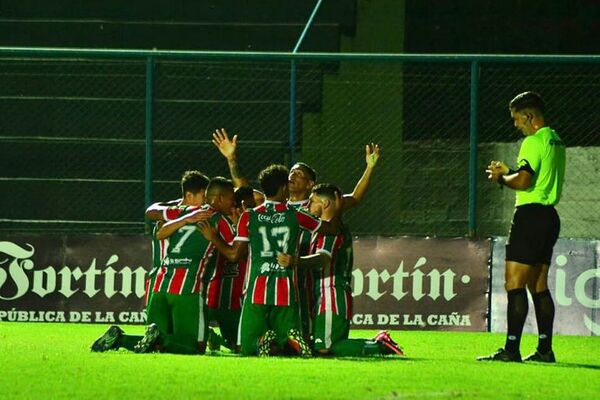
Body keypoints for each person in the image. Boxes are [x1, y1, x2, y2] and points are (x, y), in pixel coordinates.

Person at [199, 164, 341, 357]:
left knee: (245, 349)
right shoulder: (296, 215)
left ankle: (263, 340)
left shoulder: (249, 216)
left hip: (256, 288)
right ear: (283, 189)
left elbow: (233, 254)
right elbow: (331, 229)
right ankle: (286, 341)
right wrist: (337, 210)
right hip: (286, 289)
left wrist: (213, 238)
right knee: (291, 349)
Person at [479, 91, 566, 363]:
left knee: (514, 283)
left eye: (517, 119)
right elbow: (534, 175)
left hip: (529, 217)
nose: (516, 124)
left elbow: (525, 181)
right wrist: (512, 171)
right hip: (549, 218)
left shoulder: (531, 141)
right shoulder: (555, 139)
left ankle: (511, 349)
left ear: (529, 116)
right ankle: (544, 350)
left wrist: (502, 178)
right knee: (538, 286)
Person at [91, 170, 211, 353]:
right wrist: (184, 218)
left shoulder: (171, 213)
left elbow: (151, 211)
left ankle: (119, 339)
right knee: (182, 344)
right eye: (204, 195)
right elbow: (151, 211)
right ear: (189, 195)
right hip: (172, 280)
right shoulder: (177, 212)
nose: (207, 200)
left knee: (158, 340)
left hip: (160, 281)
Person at [279, 184, 403, 357]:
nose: (307, 206)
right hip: (325, 293)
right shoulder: (326, 228)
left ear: (325, 204)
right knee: (321, 346)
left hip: (331, 293)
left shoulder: (330, 231)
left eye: (312, 202)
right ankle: (377, 344)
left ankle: (379, 345)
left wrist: (295, 261)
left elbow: (323, 259)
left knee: (324, 349)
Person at [206, 186, 257, 352]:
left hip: (225, 295)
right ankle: (211, 336)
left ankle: (214, 338)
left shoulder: (238, 223)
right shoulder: (224, 222)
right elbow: (236, 254)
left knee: (235, 344)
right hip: (228, 296)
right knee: (239, 346)